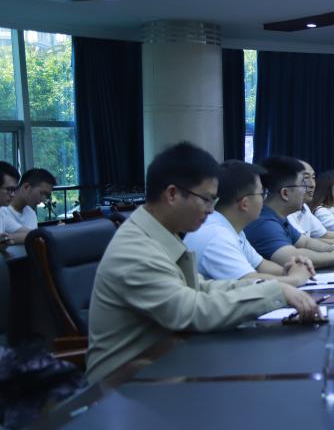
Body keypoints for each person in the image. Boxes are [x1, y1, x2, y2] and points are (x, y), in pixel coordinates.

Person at [87, 142, 320, 383]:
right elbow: (190, 311)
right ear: (172, 194)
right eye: (207, 199)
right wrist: (275, 291)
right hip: (125, 385)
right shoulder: (137, 250)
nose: (211, 210)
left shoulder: (161, 234)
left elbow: (202, 287)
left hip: (167, 362)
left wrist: (274, 287)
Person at [185, 160, 315, 286]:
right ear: (245, 203)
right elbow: (250, 282)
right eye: (262, 194)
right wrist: (296, 278)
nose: (264, 200)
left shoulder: (232, 228)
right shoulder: (216, 236)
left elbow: (261, 265)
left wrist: (290, 269)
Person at [244, 156, 334, 269]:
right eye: (302, 185)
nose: (307, 189)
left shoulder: (279, 217)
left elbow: (306, 243)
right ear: (285, 193)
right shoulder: (264, 222)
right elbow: (290, 256)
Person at [0, 168, 56, 244]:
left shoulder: (31, 213)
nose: (43, 199)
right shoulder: (3, 211)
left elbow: (36, 236)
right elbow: (35, 235)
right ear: (26, 187)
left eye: (47, 195)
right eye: (42, 193)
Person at [0, 161, 20, 247]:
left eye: (14, 190)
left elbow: (29, 233)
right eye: (9, 189)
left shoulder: (2, 213)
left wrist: (6, 239)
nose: (13, 195)